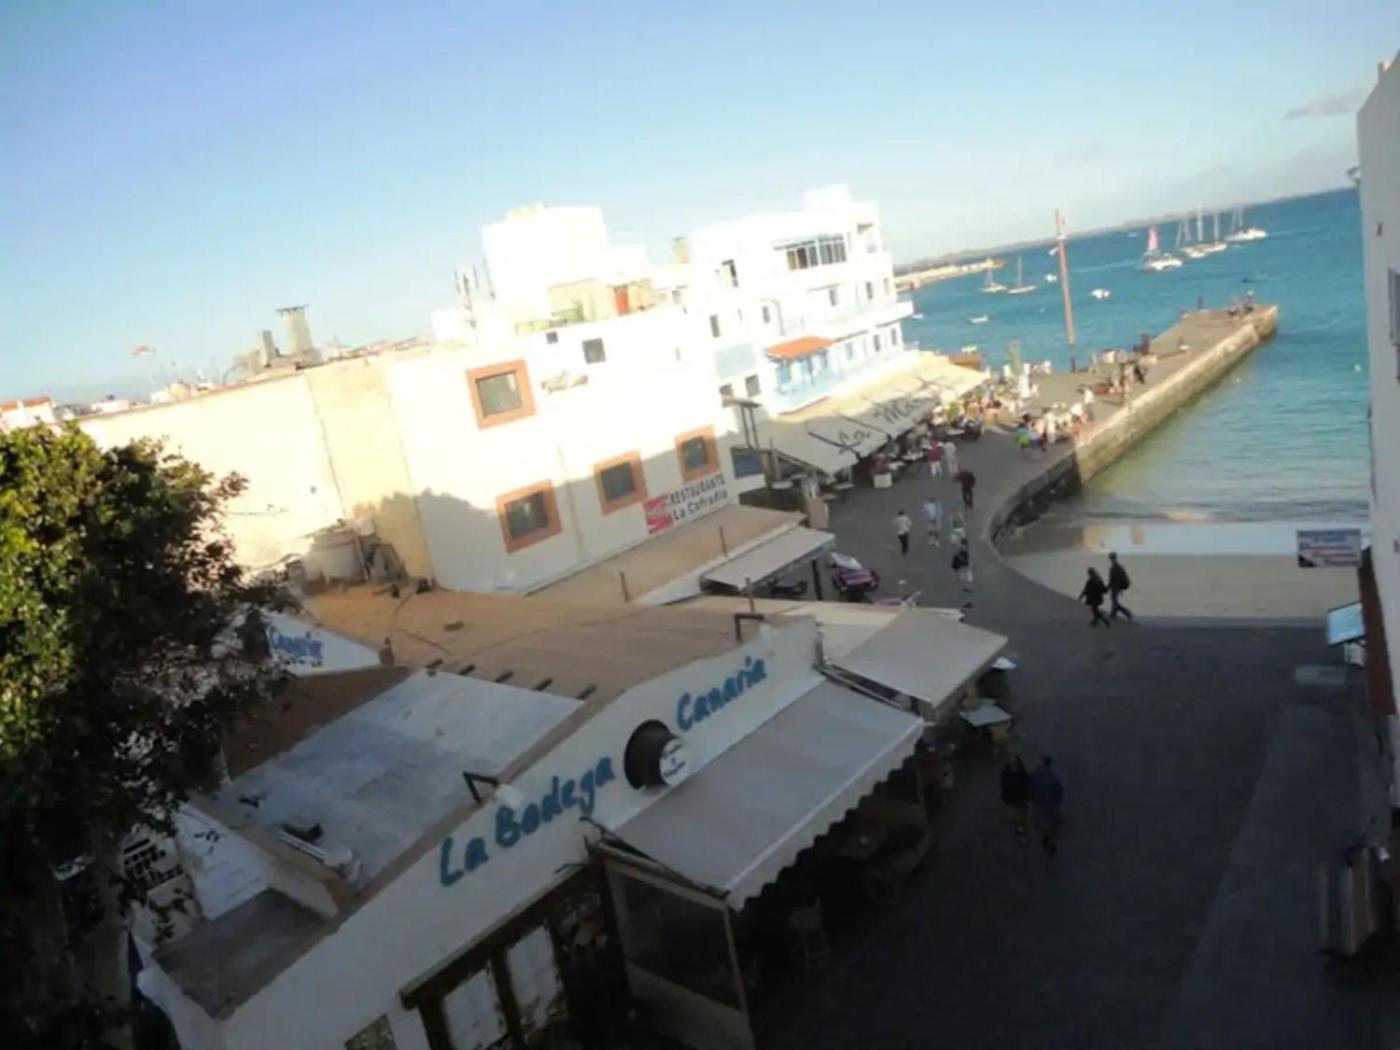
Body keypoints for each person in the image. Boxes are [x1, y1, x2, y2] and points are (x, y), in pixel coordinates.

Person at [1030, 756, 1064, 855]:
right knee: (1051, 824)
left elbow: (1030, 790)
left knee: (1041, 823)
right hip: (1051, 806)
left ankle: (1046, 839)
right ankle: (1050, 841)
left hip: (1040, 805)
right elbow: (1059, 793)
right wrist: (1057, 805)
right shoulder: (1054, 778)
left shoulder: (1035, 775)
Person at [1000, 755, 1031, 840]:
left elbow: (1029, 784)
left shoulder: (1022, 773)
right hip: (1014, 799)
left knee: (1022, 816)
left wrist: (1029, 798)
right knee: (1018, 816)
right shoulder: (1005, 774)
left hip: (1022, 799)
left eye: (1015, 763)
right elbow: (1004, 787)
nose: (1013, 765)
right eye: (1012, 763)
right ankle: (1019, 831)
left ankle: (1020, 830)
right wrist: (1005, 798)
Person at [1107, 551, 1134, 622]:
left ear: (1110, 558)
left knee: (1114, 601)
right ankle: (1113, 614)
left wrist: (1107, 587)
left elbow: (1112, 579)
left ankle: (1127, 613)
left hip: (1115, 587)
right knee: (1114, 601)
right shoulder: (1118, 566)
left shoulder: (1114, 567)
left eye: (1110, 557)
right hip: (1117, 586)